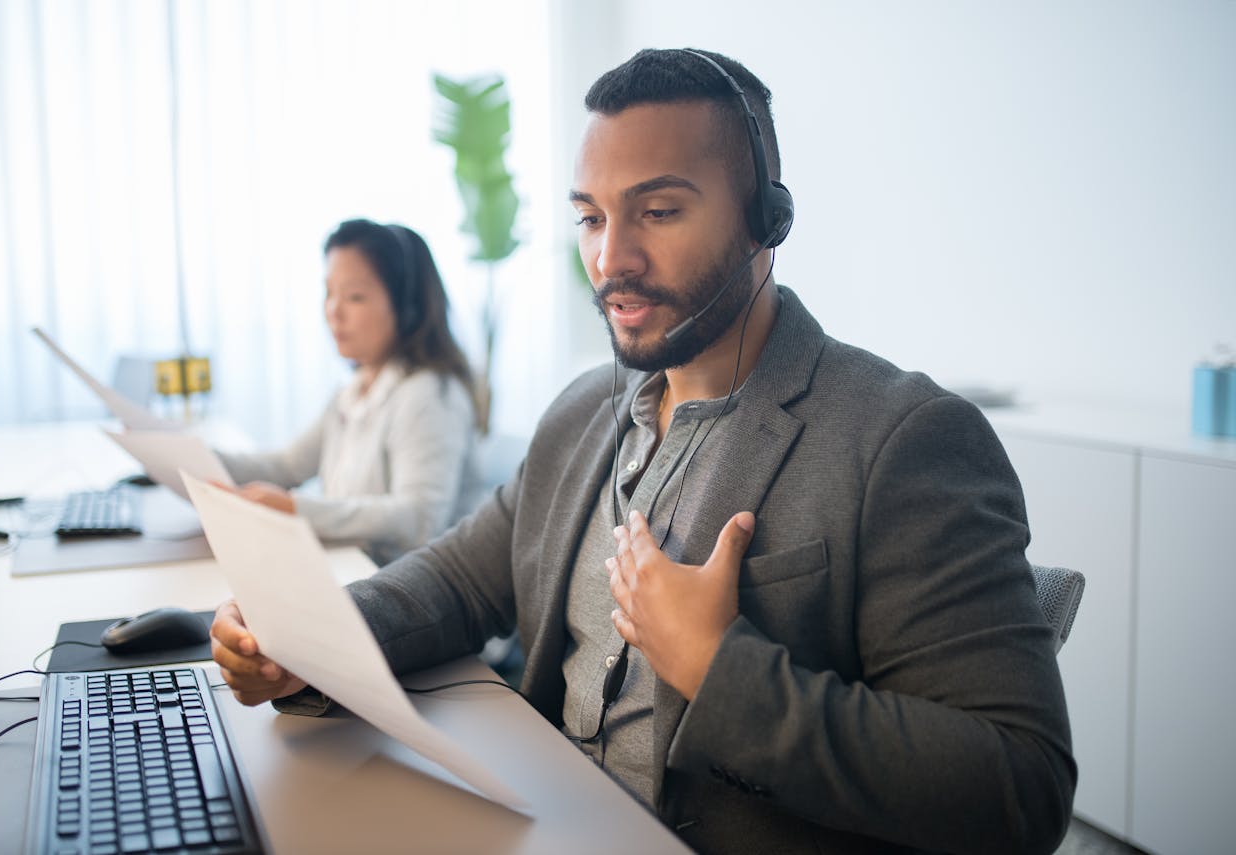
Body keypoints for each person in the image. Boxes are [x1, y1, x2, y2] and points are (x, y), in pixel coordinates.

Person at [212, 49, 1075, 854]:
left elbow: (1019, 784)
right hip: (534, 816)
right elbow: (465, 577)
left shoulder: (902, 438)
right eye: (591, 217)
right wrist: (311, 636)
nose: (610, 259)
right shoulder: (586, 410)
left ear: (765, 220)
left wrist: (715, 666)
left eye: (658, 211)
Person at [216, 219, 479, 566]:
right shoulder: (354, 391)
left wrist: (297, 509)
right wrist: (191, 459)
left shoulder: (429, 395)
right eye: (329, 293)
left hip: (409, 597)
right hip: (354, 574)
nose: (333, 312)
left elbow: (419, 518)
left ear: (405, 308)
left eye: (354, 296)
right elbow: (287, 465)